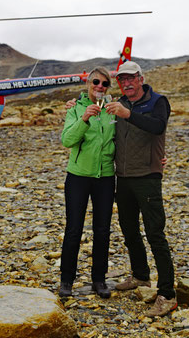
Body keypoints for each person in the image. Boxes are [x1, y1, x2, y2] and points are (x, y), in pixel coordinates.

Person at [105, 60, 177, 317]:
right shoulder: (119, 103)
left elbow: (157, 126)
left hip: (147, 176)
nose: (126, 84)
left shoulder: (158, 101)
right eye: (122, 80)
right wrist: (73, 106)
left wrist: (128, 115)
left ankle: (167, 294)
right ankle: (140, 276)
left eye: (131, 79)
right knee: (129, 229)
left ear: (141, 78)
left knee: (155, 233)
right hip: (122, 178)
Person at [59, 66, 116, 299]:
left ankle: (99, 280)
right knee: (74, 229)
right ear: (88, 83)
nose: (99, 87)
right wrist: (84, 118)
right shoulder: (75, 109)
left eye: (104, 84)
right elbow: (67, 140)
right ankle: (66, 281)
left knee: (102, 230)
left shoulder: (113, 110)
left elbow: (124, 139)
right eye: (95, 82)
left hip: (105, 178)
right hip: (78, 177)